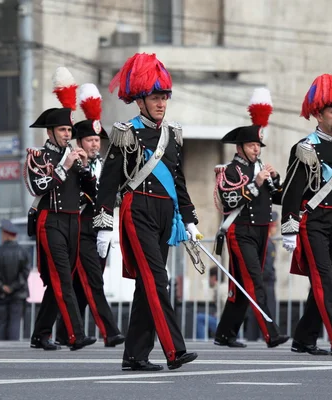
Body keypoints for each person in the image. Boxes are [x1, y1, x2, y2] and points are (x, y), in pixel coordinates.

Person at [94, 52, 200, 371]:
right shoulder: (127, 132)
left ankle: (135, 355)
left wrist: (191, 219)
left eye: (164, 97)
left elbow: (179, 182)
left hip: (166, 215)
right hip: (137, 209)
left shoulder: (173, 135)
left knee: (146, 286)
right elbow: (109, 182)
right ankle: (174, 350)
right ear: (140, 100)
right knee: (157, 279)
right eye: (155, 97)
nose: (161, 103)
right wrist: (103, 222)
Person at [280, 74, 332, 356]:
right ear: (318, 113)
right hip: (313, 221)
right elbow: (292, 191)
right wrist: (289, 226)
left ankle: (303, 338)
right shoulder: (305, 148)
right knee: (324, 279)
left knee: (325, 280)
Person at [23, 67, 97, 351]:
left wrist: (85, 168)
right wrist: (65, 167)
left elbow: (92, 191)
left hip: (73, 222)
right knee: (62, 277)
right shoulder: (38, 155)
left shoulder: (74, 155)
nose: (68, 134)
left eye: (69, 130)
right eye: (63, 130)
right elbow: (37, 186)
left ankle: (40, 334)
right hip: (49, 220)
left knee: (61, 278)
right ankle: (75, 334)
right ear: (51, 131)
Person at [212, 89, 289, 349]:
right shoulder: (230, 170)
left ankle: (225, 333)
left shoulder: (260, 169)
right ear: (240, 147)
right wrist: (255, 183)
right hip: (240, 231)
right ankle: (271, 332)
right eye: (252, 145)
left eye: (258, 145)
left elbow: (277, 198)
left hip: (261, 232)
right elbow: (229, 200)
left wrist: (275, 180)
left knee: (242, 286)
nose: (257, 149)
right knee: (254, 281)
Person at [55, 83, 124, 348]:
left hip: (102, 227)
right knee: (93, 279)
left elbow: (114, 195)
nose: (95, 144)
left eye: (97, 140)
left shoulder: (106, 165)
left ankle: (62, 332)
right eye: (90, 140)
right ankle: (110, 331)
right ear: (79, 142)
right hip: (81, 226)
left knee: (82, 282)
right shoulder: (73, 163)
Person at [0, 219, 31, 341]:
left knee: (2, 323)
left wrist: (2, 287)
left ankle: (0, 352)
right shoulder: (23, 252)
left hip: (2, 294)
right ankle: (13, 352)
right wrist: (13, 287)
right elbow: (25, 273)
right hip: (19, 294)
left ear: (5, 234)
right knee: (15, 323)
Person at [246, 211, 279, 342]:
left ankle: (256, 337)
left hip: (259, 282)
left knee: (256, 312)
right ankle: (270, 336)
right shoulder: (268, 244)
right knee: (267, 311)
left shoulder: (263, 242)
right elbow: (267, 267)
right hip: (266, 283)